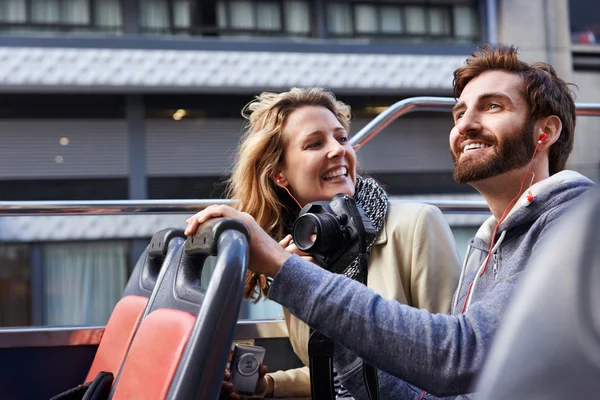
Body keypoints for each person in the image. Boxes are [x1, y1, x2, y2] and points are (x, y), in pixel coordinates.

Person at [186, 45, 596, 399]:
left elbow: (457, 358)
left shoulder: (572, 228)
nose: (464, 124)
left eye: (492, 106)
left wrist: (286, 270)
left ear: (545, 132)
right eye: (458, 112)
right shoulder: (487, 244)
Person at [185, 87, 462, 398]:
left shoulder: (416, 224)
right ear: (279, 174)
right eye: (315, 143)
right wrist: (268, 385)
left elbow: (451, 362)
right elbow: (334, 370)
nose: (338, 150)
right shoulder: (295, 253)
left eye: (342, 138)